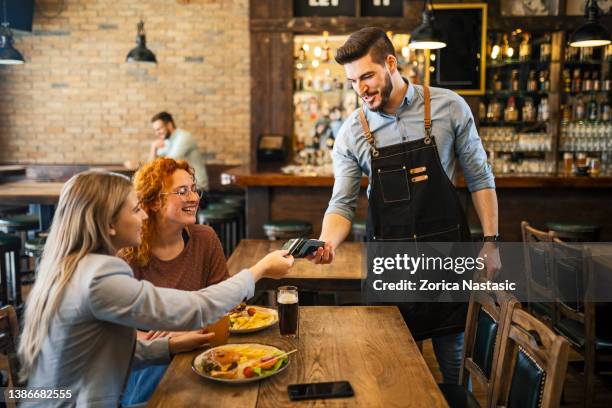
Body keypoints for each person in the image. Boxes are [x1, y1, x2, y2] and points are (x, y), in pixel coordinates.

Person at [309, 27, 501, 385]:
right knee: (392, 373)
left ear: (391, 63)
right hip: (392, 265)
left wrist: (491, 241)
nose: (360, 89)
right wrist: (327, 241)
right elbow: (342, 204)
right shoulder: (351, 133)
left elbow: (480, 178)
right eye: (352, 81)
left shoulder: (449, 107)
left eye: (366, 75)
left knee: (456, 365)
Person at [17, 171, 293, 407]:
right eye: (136, 209)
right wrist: (260, 270)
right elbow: (197, 307)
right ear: (109, 224)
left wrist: (169, 346)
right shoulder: (99, 275)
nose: (144, 217)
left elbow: (100, 352)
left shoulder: (69, 266)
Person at [119, 158, 229, 405]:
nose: (194, 198)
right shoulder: (127, 251)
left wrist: (186, 328)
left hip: (201, 355)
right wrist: (164, 341)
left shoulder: (205, 239)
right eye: (182, 191)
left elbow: (224, 306)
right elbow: (115, 333)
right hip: (145, 368)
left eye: (193, 189)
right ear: (155, 202)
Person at [149, 111, 209, 191]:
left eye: (159, 129)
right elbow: (151, 167)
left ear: (169, 125)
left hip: (197, 189)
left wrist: (154, 147)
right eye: (155, 130)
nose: (157, 133)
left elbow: (168, 163)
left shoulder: (184, 137)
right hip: (182, 188)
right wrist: (153, 148)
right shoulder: (167, 141)